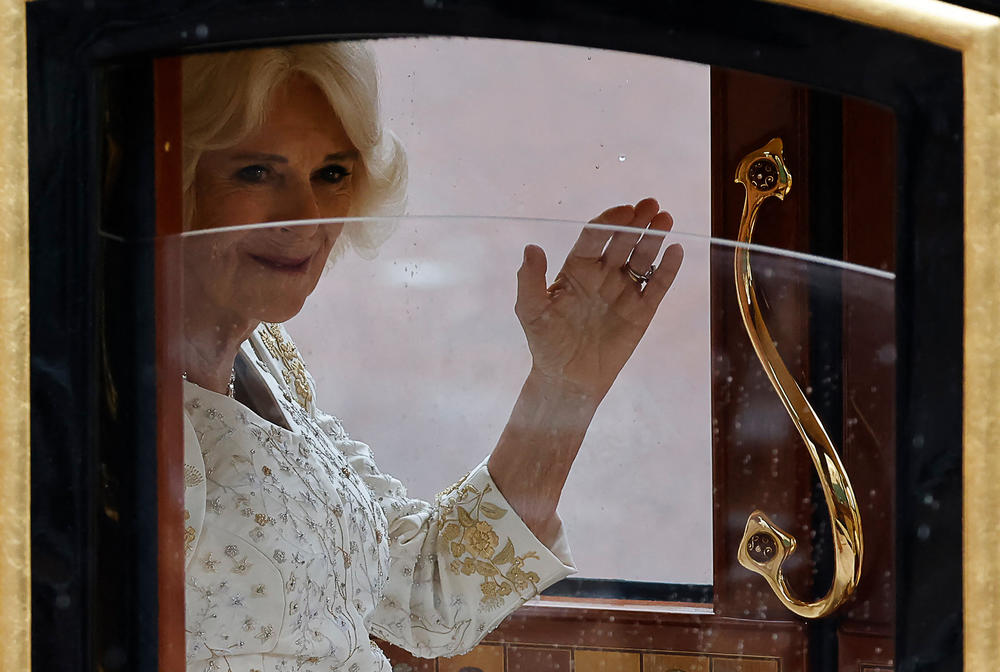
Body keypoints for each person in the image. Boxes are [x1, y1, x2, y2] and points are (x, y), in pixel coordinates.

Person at [180, 42, 683, 672]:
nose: (306, 216)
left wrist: (567, 383)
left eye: (331, 174)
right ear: (173, 178)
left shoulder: (262, 359)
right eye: (257, 172)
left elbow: (429, 598)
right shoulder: (129, 412)